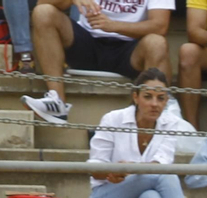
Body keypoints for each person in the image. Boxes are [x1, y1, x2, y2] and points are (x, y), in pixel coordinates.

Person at [21, 0, 171, 125]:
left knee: (156, 43)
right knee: (43, 12)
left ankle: (151, 116)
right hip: (87, 42)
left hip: (129, 50)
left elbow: (160, 25)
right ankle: (56, 101)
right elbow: (42, 3)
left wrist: (114, 26)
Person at [86, 69, 192, 198]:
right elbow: (94, 168)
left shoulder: (171, 123)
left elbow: (160, 164)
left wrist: (130, 169)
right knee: (166, 176)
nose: (154, 104)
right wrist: (112, 170)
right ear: (135, 97)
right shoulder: (113, 119)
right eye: (148, 97)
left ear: (166, 101)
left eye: (160, 98)